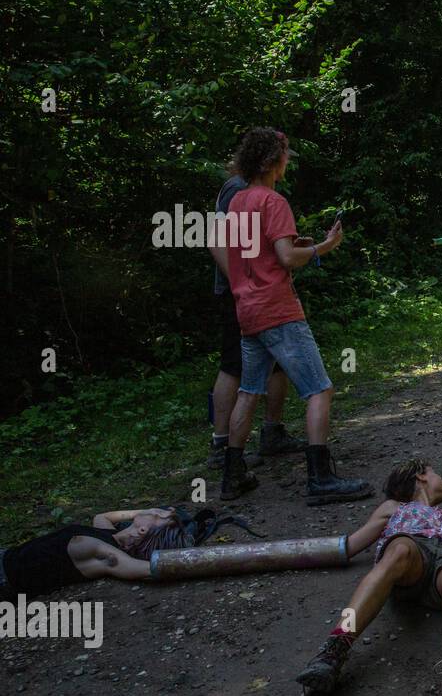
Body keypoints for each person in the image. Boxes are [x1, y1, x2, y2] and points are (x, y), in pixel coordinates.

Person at [295, 458, 442, 696]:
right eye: (437, 473)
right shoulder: (393, 507)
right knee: (398, 550)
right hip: (411, 555)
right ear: (420, 477)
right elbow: (349, 546)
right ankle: (333, 651)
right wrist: (284, 554)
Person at [220, 127, 372, 506]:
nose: (288, 162)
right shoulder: (273, 201)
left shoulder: (237, 201)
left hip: (247, 309)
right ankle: (320, 478)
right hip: (278, 309)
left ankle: (231, 475)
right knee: (320, 389)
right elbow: (287, 258)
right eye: (285, 155)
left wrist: (295, 247)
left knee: (249, 390)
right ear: (272, 161)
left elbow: (259, 253)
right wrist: (324, 247)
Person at [206, 166, 305, 470]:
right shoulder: (237, 190)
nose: (286, 163)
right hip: (243, 295)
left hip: (264, 294)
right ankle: (222, 446)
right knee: (234, 366)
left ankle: (272, 434)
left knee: (277, 365)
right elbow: (216, 241)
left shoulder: (261, 192)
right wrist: (239, 284)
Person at [1, 508, 190, 599]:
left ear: (142, 530)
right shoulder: (109, 535)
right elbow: (102, 517)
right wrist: (141, 512)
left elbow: (148, 569)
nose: (155, 509)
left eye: (157, 514)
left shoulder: (102, 551)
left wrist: (211, 561)